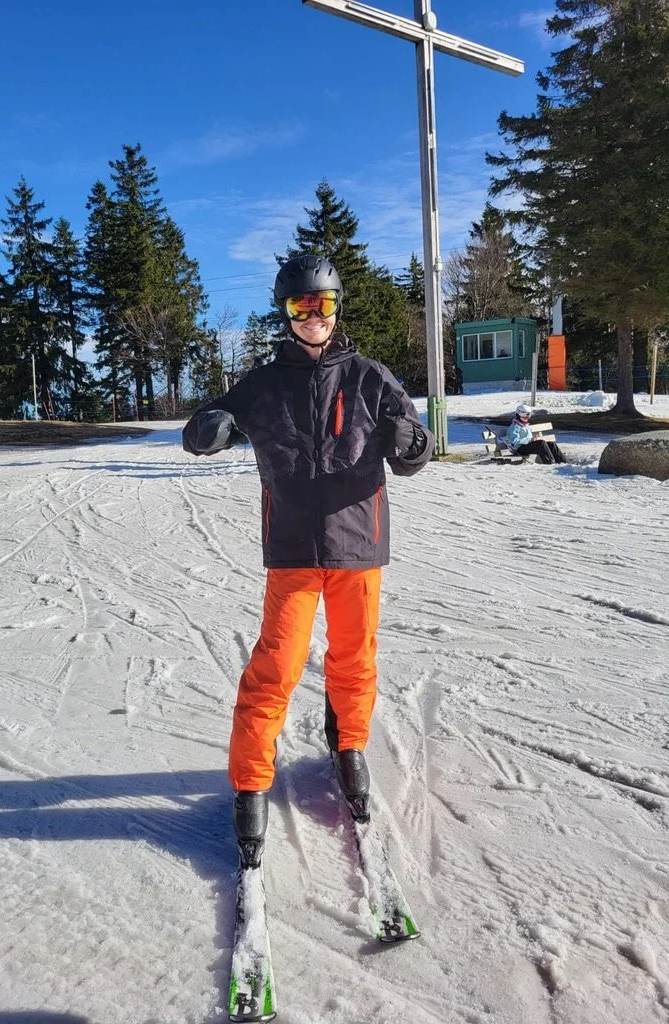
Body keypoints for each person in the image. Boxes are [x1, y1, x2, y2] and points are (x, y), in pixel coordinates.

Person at [183, 254, 435, 869]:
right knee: (276, 666)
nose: (312, 316)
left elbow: (415, 452)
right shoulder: (264, 384)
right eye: (301, 306)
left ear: (336, 308)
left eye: (322, 304)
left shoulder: (371, 378)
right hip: (293, 549)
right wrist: (209, 427)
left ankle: (348, 746)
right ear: (286, 313)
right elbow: (200, 431)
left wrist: (413, 442)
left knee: (354, 658)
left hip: (357, 546)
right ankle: (250, 781)